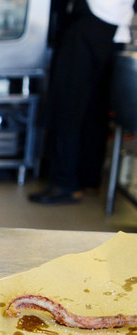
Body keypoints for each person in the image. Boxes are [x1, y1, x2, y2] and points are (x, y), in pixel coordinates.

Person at [29, 0, 135, 204]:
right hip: (114, 29)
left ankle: (64, 183)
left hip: (88, 24)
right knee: (96, 109)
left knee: (68, 105)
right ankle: (89, 179)